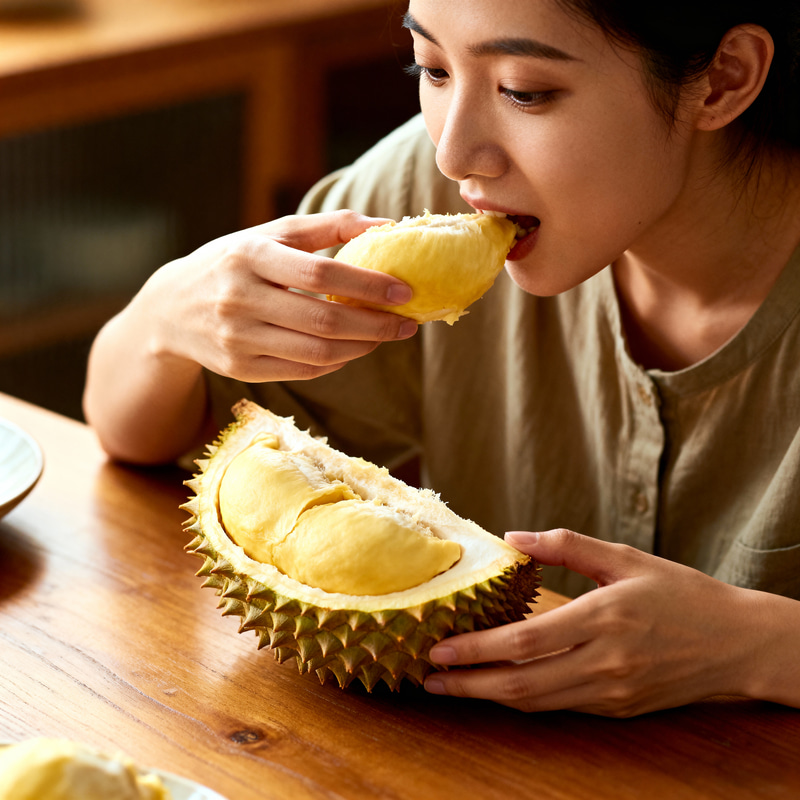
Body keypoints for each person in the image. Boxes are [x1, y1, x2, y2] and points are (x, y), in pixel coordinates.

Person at [83, 0, 800, 717]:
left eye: (525, 90)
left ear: (723, 80)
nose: (454, 154)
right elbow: (138, 430)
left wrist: (757, 644)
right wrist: (164, 317)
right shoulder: (424, 194)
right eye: (432, 68)